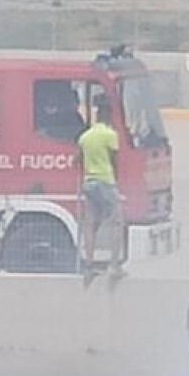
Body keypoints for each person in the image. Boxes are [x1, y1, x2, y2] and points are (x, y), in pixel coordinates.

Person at [76, 98, 125, 283]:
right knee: (117, 221)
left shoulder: (85, 136)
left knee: (90, 224)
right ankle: (114, 265)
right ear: (109, 116)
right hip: (105, 181)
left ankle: (88, 266)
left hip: (89, 183)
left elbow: (77, 159)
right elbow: (114, 161)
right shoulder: (110, 135)